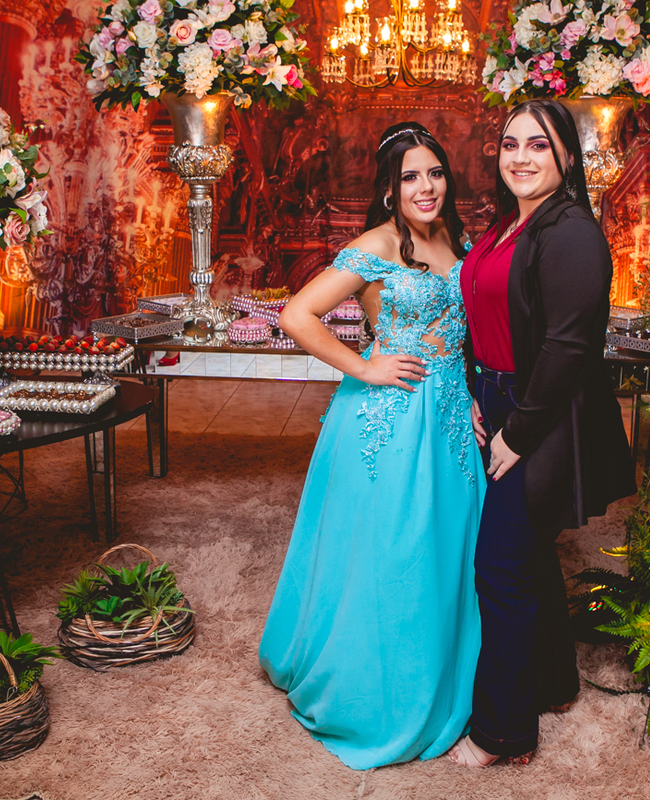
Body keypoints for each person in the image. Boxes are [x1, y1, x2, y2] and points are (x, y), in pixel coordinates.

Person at [258, 122, 484, 770]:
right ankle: (379, 696)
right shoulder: (375, 245)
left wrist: (471, 394)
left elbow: (464, 333)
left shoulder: (457, 241)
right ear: (389, 190)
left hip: (450, 421)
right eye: (410, 177)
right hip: (390, 421)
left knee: (446, 550)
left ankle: (446, 677)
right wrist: (365, 366)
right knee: (392, 553)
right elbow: (296, 315)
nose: (425, 187)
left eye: (434, 173)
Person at [449, 99, 636, 767]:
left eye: (538, 144)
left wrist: (517, 433)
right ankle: (555, 683)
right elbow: (485, 316)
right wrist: (474, 389)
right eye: (510, 144)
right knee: (527, 555)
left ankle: (503, 733)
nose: (521, 156)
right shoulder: (510, 223)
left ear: (567, 157)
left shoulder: (572, 232)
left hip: (537, 414)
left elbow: (567, 348)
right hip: (498, 397)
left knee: (500, 566)